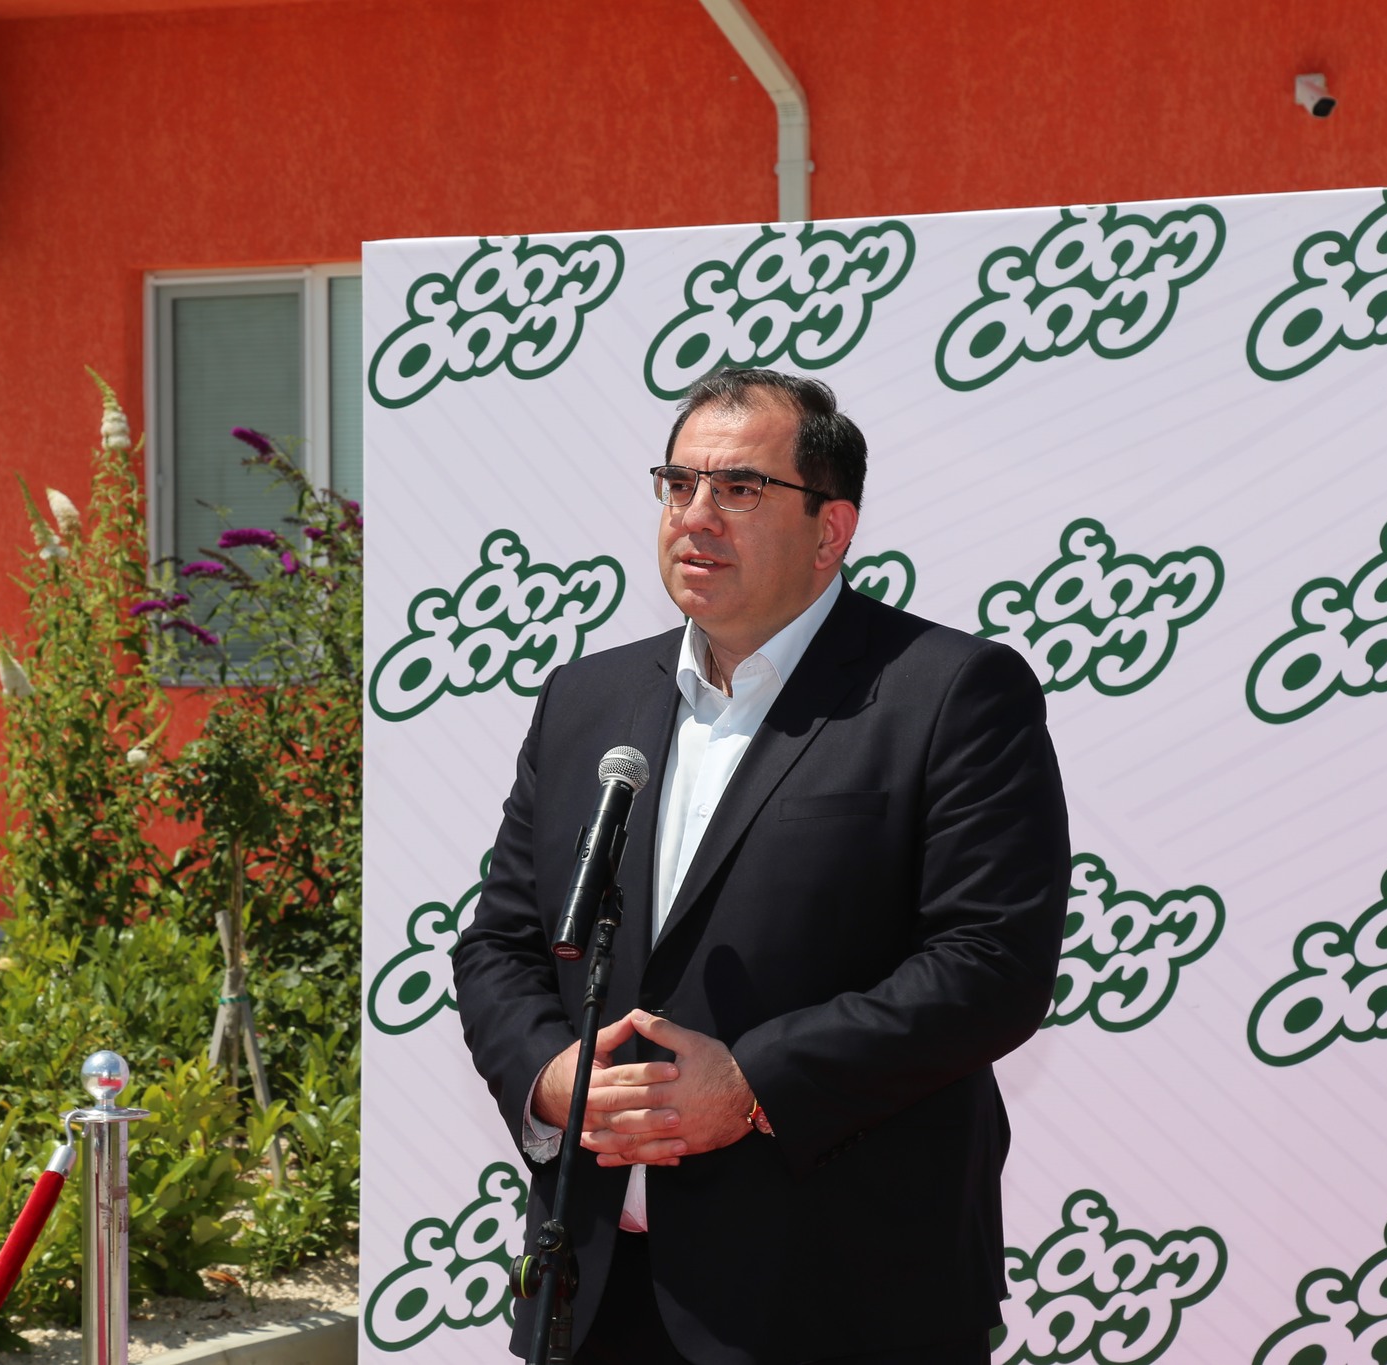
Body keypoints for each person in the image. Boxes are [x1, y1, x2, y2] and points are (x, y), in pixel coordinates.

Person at [453, 367, 1069, 1365]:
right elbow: (502, 943)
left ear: (831, 529)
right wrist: (551, 1075)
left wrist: (753, 1083)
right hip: (596, 1292)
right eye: (678, 484)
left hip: (842, 1298)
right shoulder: (586, 699)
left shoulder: (950, 692)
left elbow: (989, 965)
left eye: (740, 488)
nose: (695, 515)